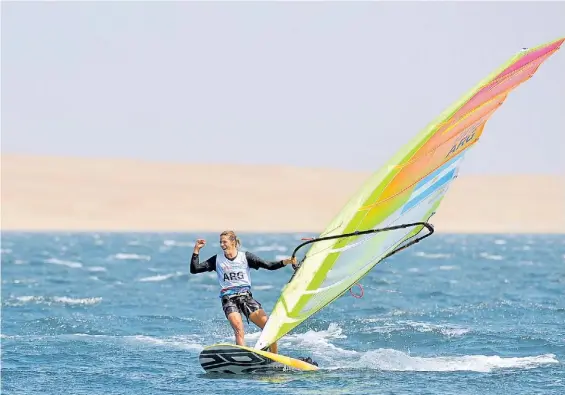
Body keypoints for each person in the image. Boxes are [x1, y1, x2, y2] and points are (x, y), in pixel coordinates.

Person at [190, 230, 296, 355]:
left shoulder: (245, 257)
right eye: (220, 242)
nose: (222, 245)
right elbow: (195, 269)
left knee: (269, 328)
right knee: (239, 330)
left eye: (224, 242)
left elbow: (268, 265)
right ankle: (242, 357)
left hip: (246, 298)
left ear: (233, 242)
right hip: (228, 299)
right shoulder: (217, 260)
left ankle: (273, 357)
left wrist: (286, 262)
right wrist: (196, 250)